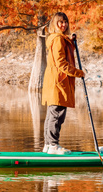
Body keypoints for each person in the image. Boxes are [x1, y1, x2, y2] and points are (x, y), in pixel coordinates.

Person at [42, 12, 85, 155]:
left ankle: (48, 145)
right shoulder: (58, 39)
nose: (63, 25)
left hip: (55, 80)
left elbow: (64, 53)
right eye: (60, 22)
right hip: (59, 81)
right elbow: (61, 63)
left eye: (65, 22)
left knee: (52, 113)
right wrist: (78, 72)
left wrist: (71, 41)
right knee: (56, 114)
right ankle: (53, 145)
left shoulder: (58, 39)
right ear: (55, 24)